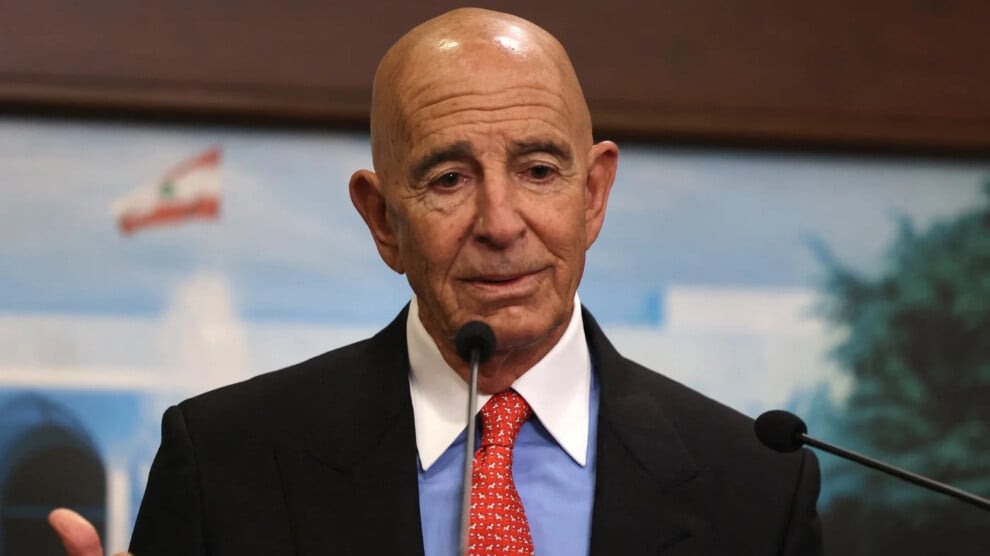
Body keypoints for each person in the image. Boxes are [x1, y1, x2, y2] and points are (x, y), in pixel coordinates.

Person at [51, 7, 823, 555]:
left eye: (539, 170)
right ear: (382, 219)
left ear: (593, 195)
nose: (501, 223)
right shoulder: (225, 462)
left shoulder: (756, 484)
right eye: (449, 179)